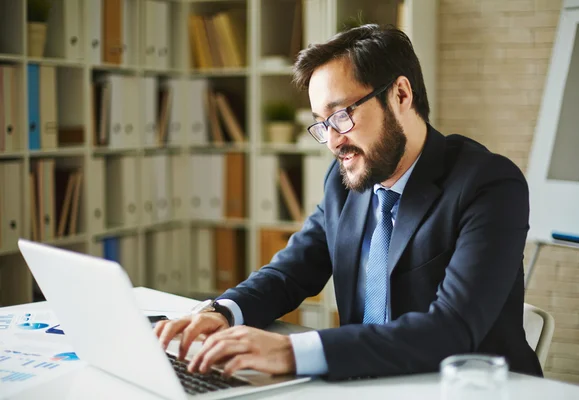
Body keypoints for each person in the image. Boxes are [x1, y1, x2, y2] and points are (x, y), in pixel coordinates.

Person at [155, 23, 543, 381]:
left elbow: (452, 328)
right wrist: (222, 312)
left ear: (401, 94)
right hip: (365, 384)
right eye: (321, 124)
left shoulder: (489, 184)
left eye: (341, 115)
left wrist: (291, 352)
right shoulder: (343, 185)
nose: (333, 141)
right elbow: (288, 274)